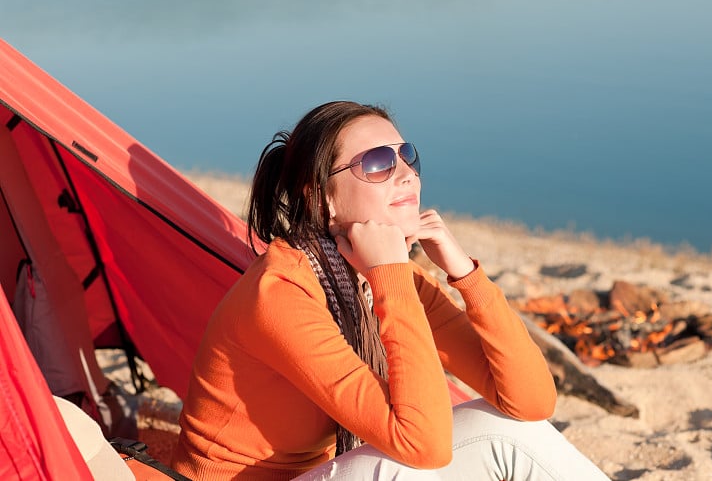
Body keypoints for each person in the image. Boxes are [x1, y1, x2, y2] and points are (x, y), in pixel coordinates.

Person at [171, 101, 609, 480]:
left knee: (517, 431)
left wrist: (465, 274)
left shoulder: (391, 277)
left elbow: (532, 400)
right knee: (433, 458)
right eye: (377, 163)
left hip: (329, 472)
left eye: (407, 156)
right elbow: (425, 445)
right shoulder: (281, 292)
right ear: (324, 199)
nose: (405, 175)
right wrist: (389, 275)